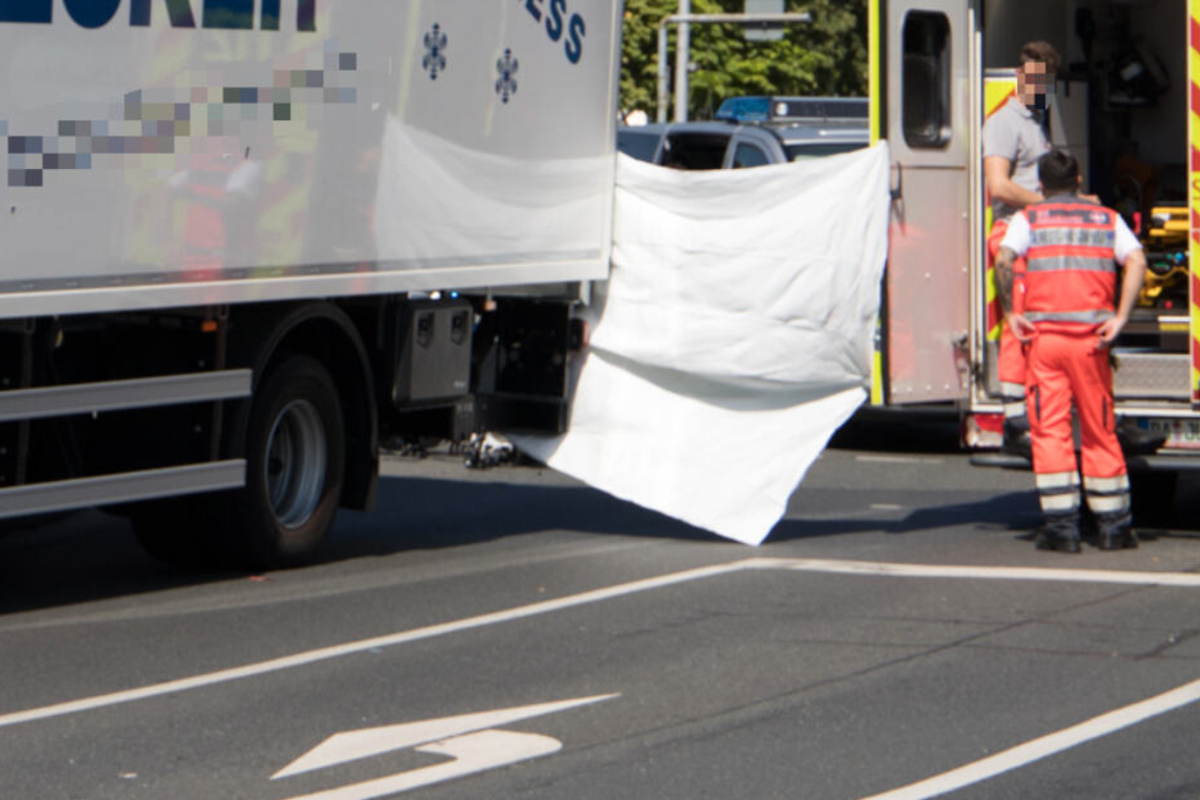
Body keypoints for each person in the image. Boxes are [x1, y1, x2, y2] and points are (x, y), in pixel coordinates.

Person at [995, 149, 1147, 553]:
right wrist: (1120, 317)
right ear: (1079, 180)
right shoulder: (1107, 219)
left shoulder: (1029, 219)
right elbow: (1136, 259)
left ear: (1040, 186)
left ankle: (1062, 528)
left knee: (1051, 431)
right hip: (1092, 344)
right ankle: (1114, 526)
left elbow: (1005, 260)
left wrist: (1011, 314)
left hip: (1046, 344)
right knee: (1100, 430)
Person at [982, 41, 1059, 457]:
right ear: (1019, 75)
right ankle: (1014, 420)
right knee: (1019, 322)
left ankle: (1030, 406)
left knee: (1036, 322)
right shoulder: (1004, 122)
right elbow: (1000, 185)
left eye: (1043, 78)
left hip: (1033, 232)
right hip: (1012, 232)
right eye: (1031, 76)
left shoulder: (1033, 121)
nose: (1037, 84)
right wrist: (1054, 205)